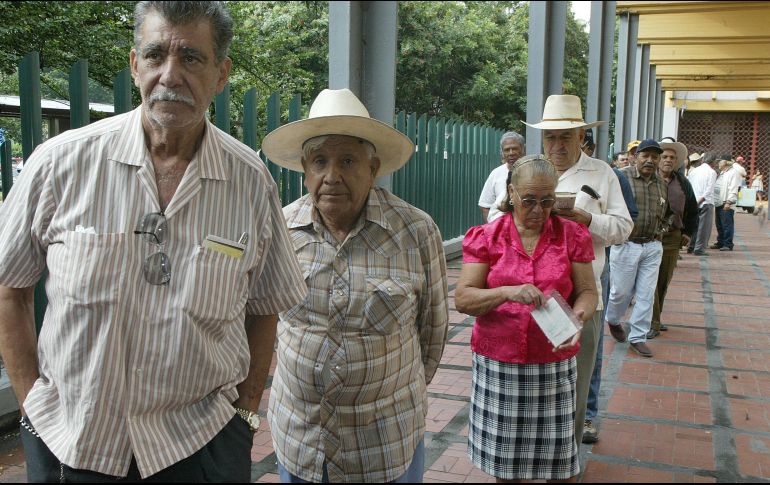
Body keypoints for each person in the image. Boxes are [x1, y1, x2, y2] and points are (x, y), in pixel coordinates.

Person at [0, 2, 308, 482]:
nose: (170, 74)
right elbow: (10, 288)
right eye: (155, 54)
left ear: (220, 73)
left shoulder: (249, 181)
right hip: (71, 443)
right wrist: (31, 406)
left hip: (201, 447)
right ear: (134, 64)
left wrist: (245, 416)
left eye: (190, 57)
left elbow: (266, 304)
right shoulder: (58, 164)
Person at [261, 88, 449, 483]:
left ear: (373, 166)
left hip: (383, 443)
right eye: (320, 162)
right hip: (301, 437)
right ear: (304, 168)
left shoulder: (415, 231)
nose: (332, 176)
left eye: (347, 160)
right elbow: (266, 319)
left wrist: (384, 392)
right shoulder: (281, 228)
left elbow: (432, 333)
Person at [456, 155, 598, 482]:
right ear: (511, 193)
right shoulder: (487, 237)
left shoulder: (571, 235)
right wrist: (507, 292)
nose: (538, 209)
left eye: (547, 200)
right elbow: (464, 298)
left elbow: (588, 291)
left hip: (553, 363)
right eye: (529, 200)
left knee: (561, 467)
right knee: (507, 469)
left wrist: (578, 315)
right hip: (500, 366)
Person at [516, 94, 632, 449]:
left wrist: (587, 219)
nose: (557, 144)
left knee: (577, 382)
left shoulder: (602, 173)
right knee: (530, 380)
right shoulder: (527, 171)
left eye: (565, 136)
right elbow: (497, 220)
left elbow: (624, 228)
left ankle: (565, 457)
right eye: (550, 136)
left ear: (581, 135)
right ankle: (532, 450)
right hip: (531, 297)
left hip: (582, 297)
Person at [606, 139, 671, 358]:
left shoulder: (661, 182)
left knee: (646, 294)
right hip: (626, 245)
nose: (650, 160)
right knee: (620, 292)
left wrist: (664, 228)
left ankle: (638, 337)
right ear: (636, 157)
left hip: (653, 245)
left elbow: (667, 211)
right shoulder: (621, 177)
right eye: (646, 155)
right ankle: (613, 319)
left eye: (655, 157)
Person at [649, 142, 698, 339]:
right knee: (650, 279)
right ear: (659, 159)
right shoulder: (648, 179)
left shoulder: (683, 183)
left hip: (672, 237)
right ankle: (651, 322)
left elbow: (693, 210)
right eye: (665, 157)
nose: (668, 160)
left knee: (663, 280)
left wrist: (687, 233)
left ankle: (656, 319)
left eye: (672, 158)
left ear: (677, 162)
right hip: (651, 236)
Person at [478, 131, 525, 221]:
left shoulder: (531, 172)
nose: (511, 153)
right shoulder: (496, 174)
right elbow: (485, 206)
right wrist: (493, 229)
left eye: (515, 148)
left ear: (523, 149)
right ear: (502, 153)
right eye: (507, 150)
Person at [686, 152, 718, 256]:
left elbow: (688, 186)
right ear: (713, 162)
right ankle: (699, 249)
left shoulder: (694, 171)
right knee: (704, 227)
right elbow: (709, 189)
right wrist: (702, 199)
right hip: (705, 202)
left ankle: (691, 246)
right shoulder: (712, 172)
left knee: (694, 225)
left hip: (694, 201)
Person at [711, 155, 741, 251]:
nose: (718, 163)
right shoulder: (723, 172)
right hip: (719, 202)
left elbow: (733, 189)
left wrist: (729, 202)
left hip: (726, 203)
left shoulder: (733, 173)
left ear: (726, 162)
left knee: (727, 225)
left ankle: (728, 244)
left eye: (720, 161)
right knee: (719, 224)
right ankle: (721, 242)